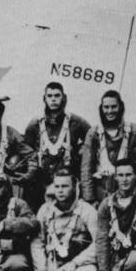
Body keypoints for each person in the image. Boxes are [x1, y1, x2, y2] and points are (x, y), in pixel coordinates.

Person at [22, 169, 98, 271]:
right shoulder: (45, 210)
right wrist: (42, 270)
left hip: (79, 265)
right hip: (54, 265)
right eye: (57, 186)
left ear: (75, 187)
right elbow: (38, 242)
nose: (60, 191)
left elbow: (98, 243)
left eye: (65, 186)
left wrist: (75, 263)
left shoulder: (88, 211)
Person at [81, 90, 136, 204]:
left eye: (114, 107)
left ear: (120, 107)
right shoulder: (94, 133)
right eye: (106, 107)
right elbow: (86, 169)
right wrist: (90, 199)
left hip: (129, 194)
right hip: (101, 193)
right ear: (101, 109)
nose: (110, 111)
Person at [23, 82, 91, 210]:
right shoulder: (35, 125)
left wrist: (79, 152)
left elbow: (92, 139)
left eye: (57, 95)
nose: (53, 99)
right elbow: (26, 152)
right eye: (50, 96)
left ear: (63, 98)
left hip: (67, 181)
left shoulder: (75, 122)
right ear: (45, 99)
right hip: (41, 182)